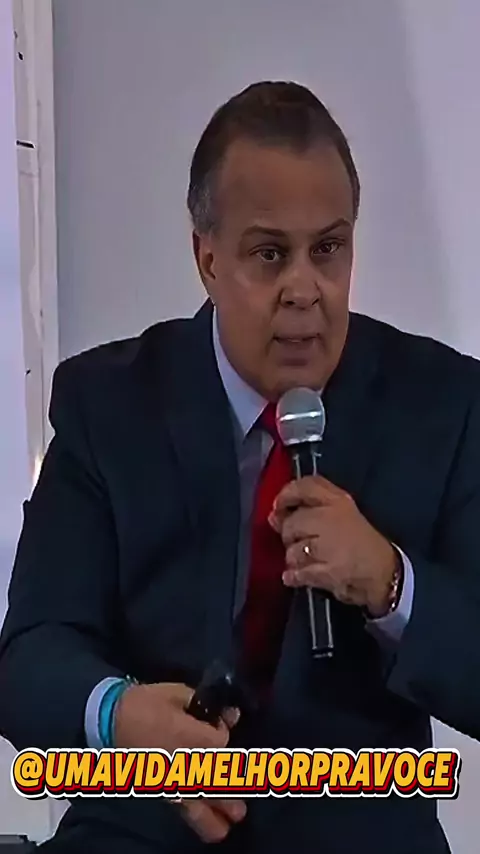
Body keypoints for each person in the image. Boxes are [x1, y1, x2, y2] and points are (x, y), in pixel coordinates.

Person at [0, 80, 479, 854]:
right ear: (207, 259)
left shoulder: (443, 405)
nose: (305, 290)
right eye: (270, 254)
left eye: (328, 250)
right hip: (145, 833)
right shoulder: (109, 406)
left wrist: (393, 582)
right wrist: (120, 716)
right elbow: (28, 660)